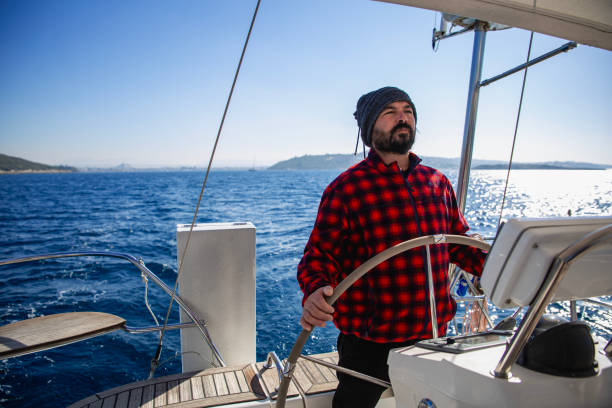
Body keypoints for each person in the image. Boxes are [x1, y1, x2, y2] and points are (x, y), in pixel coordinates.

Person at [297, 86, 487, 408]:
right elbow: (319, 257)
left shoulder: (437, 183)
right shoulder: (346, 189)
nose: (403, 118)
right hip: (369, 343)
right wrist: (315, 290)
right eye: (391, 112)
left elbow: (458, 242)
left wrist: (501, 263)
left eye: (408, 111)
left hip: (434, 336)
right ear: (371, 128)